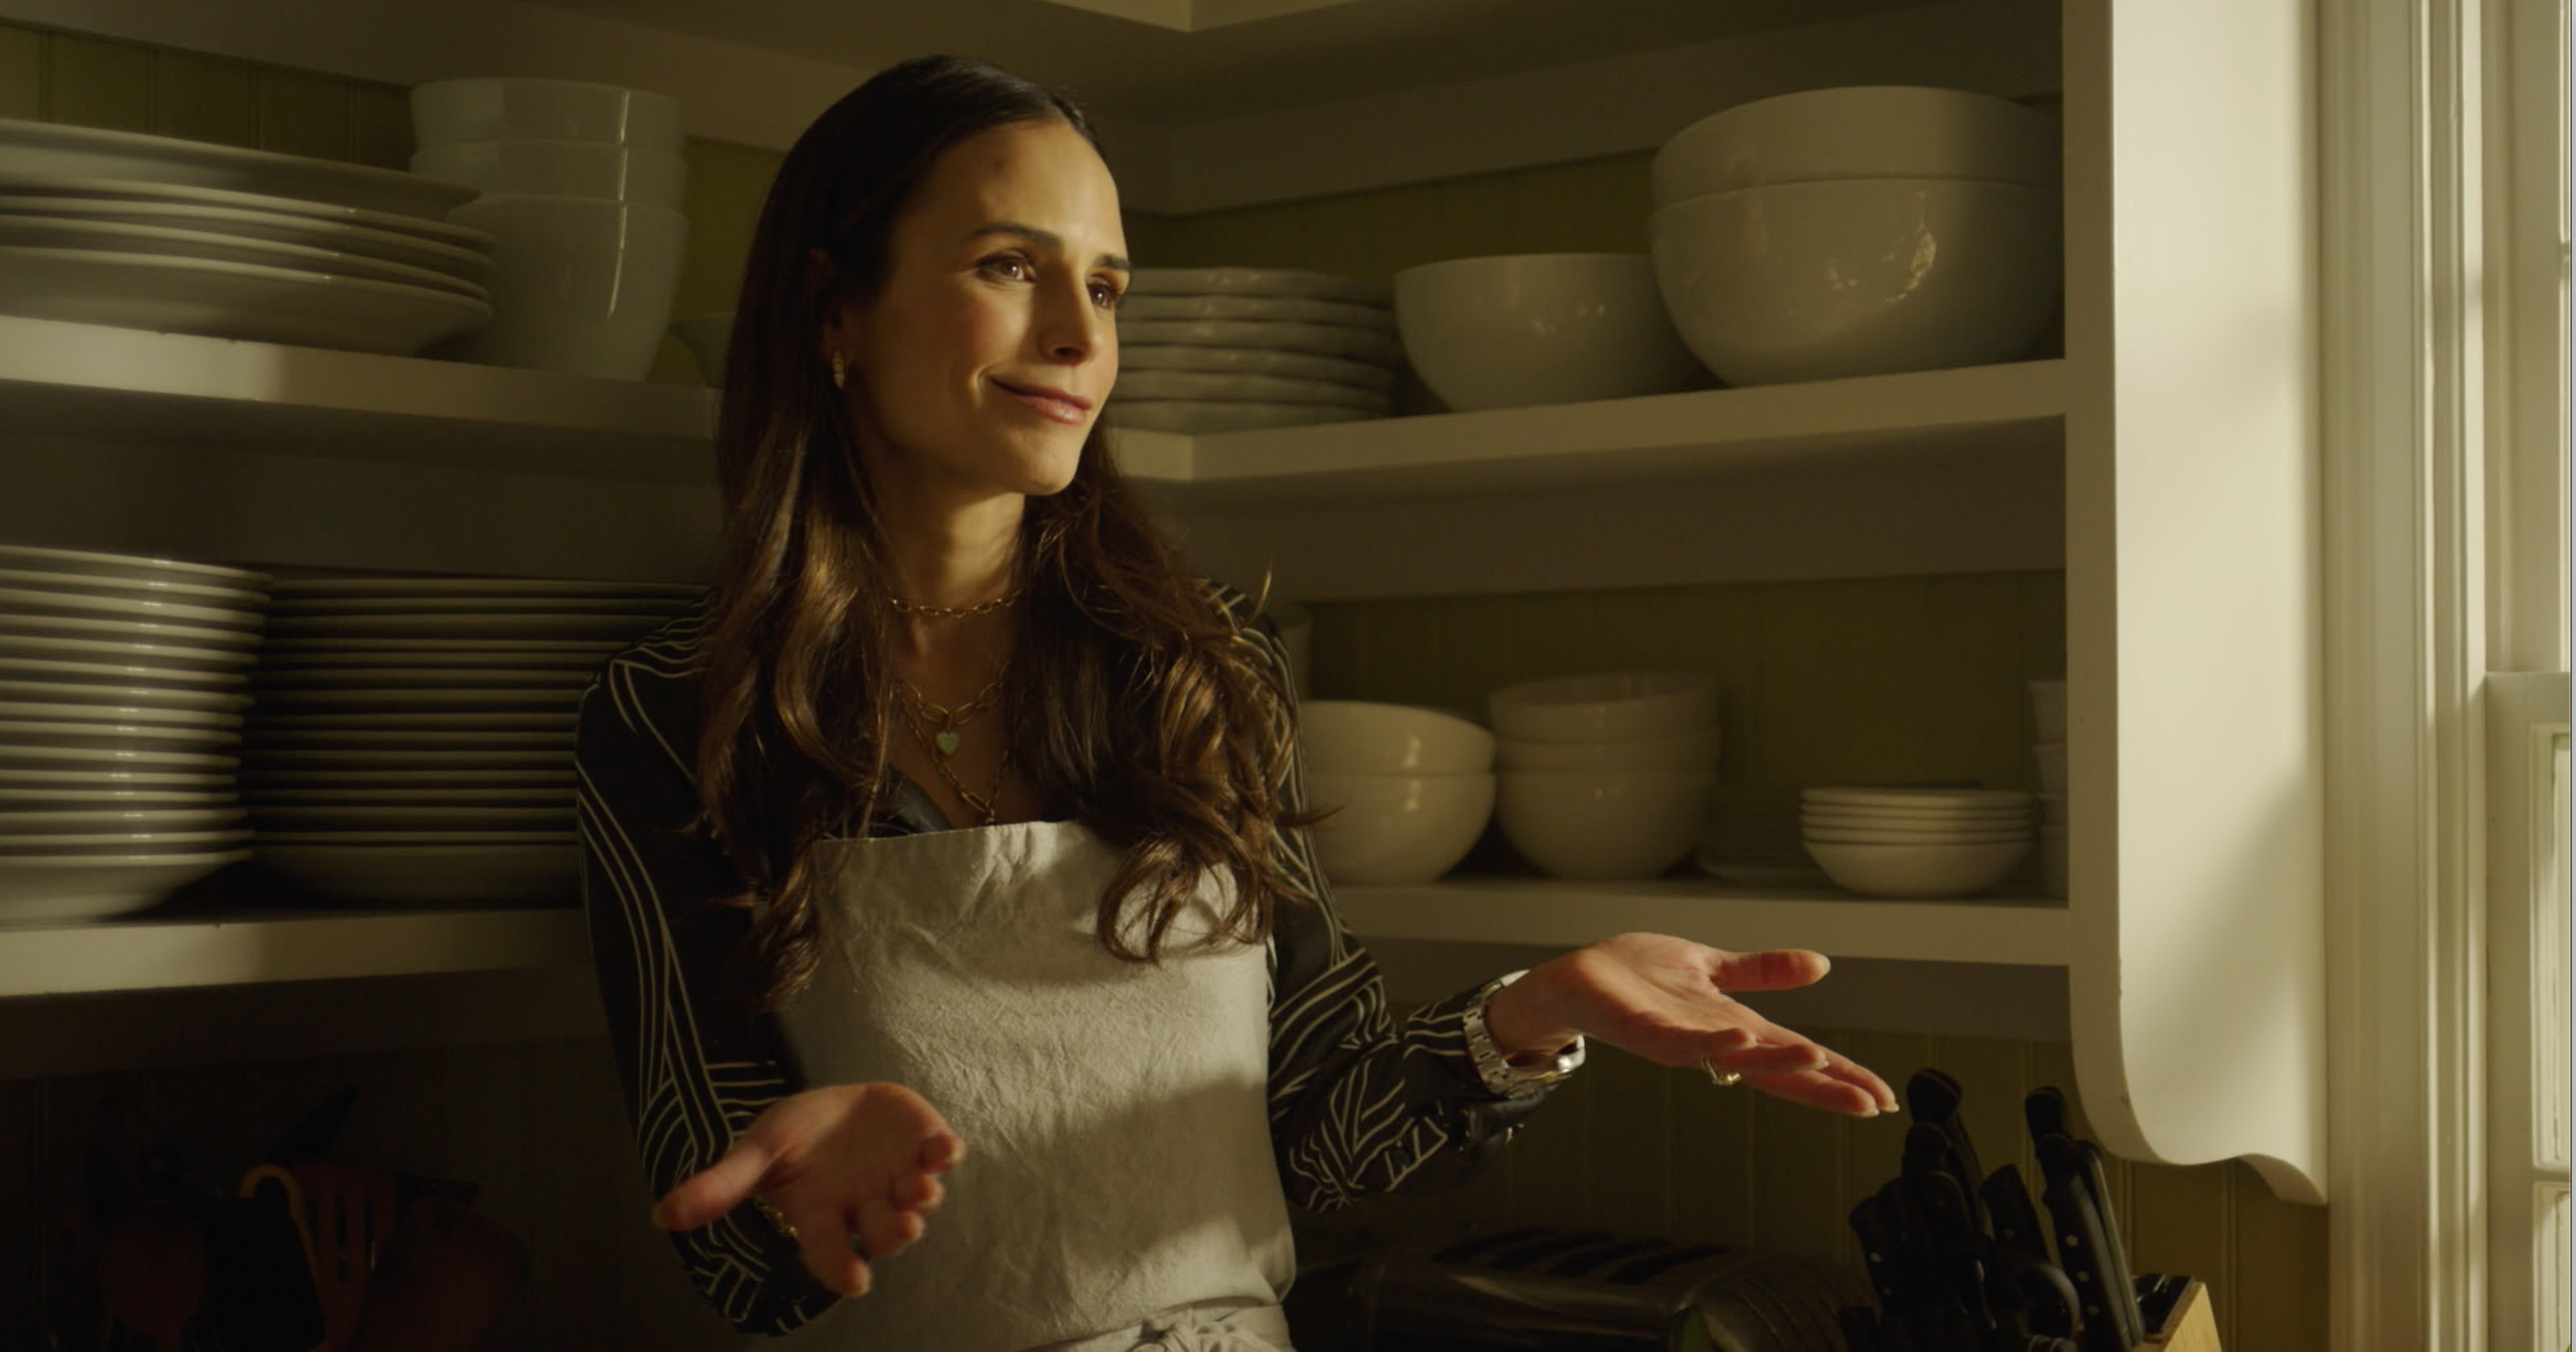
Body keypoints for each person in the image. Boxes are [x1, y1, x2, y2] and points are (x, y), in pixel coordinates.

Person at [573, 53, 1898, 1352]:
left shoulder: (1201, 667)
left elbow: (1319, 1134)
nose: (1081, 336)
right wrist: (799, 1201)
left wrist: (1534, 1013)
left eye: (1105, 286)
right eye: (1009, 267)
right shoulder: (681, 712)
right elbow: (727, 1243)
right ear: (834, 310)